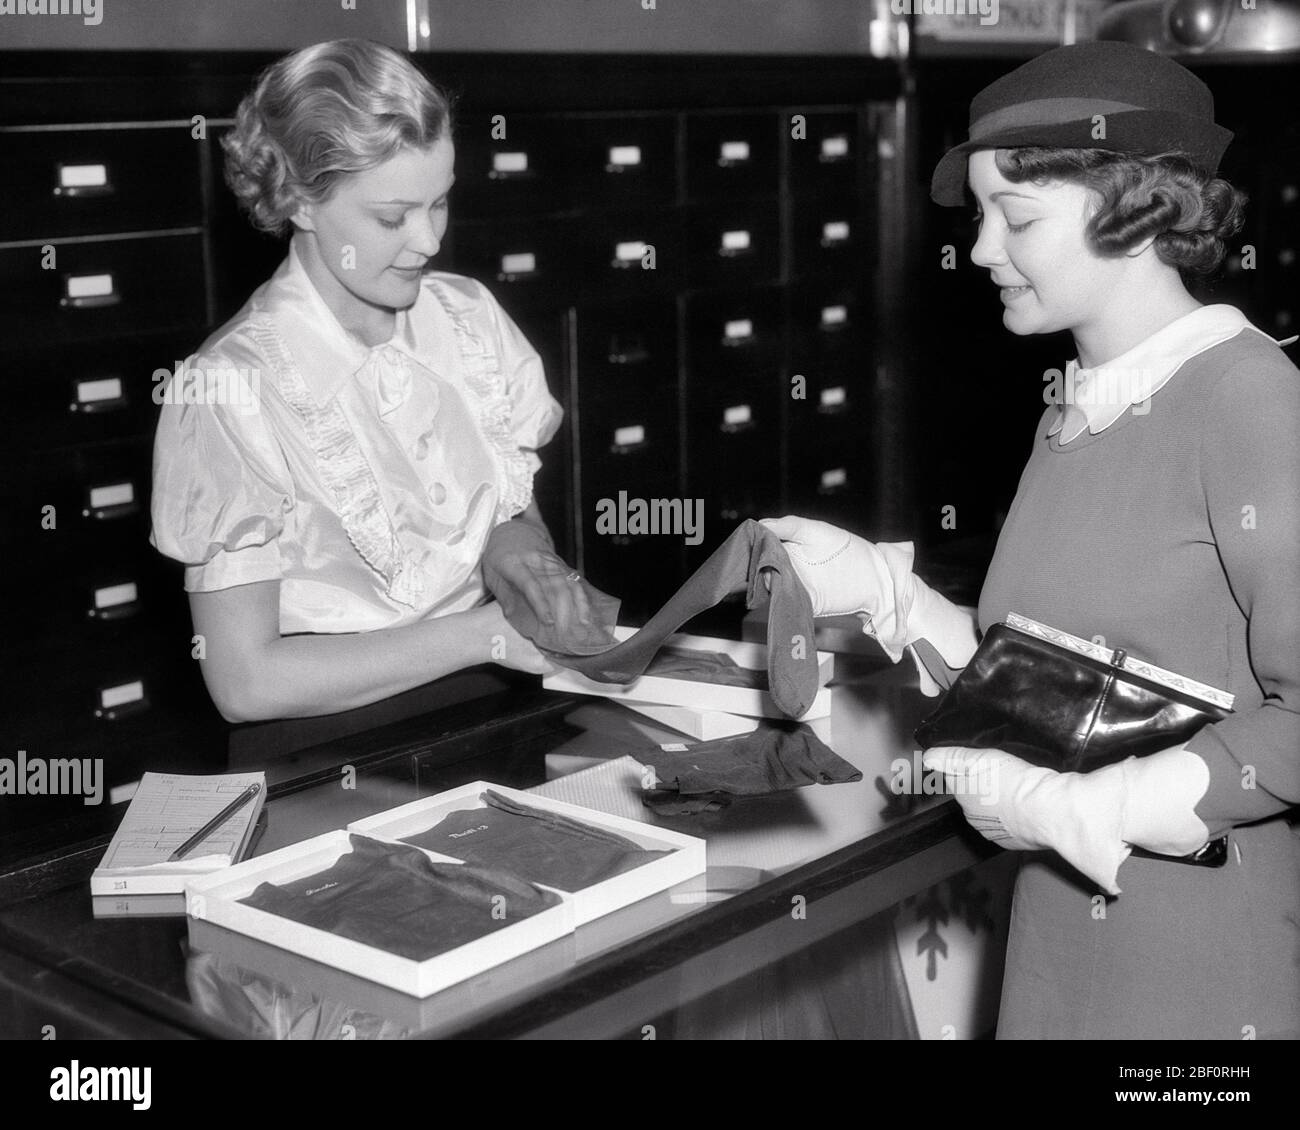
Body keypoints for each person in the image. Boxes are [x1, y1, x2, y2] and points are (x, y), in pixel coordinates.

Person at [764, 41, 1299, 1039]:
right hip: (1063, 932)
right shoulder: (1078, 407)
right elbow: (1053, 686)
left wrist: (1079, 809)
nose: (978, 251)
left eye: (1016, 218)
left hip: (1195, 963)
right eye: (979, 218)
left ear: (1133, 215)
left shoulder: (1248, 400)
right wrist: (891, 595)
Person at [151, 39, 587, 723]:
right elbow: (244, 683)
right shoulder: (229, 389)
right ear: (298, 198)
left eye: (439, 203)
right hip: (322, 744)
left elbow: (509, 504)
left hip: (494, 704)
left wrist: (523, 558)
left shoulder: (466, 316)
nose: (429, 240)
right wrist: (484, 635)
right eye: (392, 218)